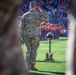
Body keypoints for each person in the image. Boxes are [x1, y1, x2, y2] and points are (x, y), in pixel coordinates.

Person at [21, 1, 50, 70]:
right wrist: (41, 11)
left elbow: (21, 27)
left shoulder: (25, 15)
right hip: (35, 35)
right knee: (34, 51)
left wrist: (21, 36)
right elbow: (47, 19)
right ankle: (32, 66)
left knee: (28, 50)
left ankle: (27, 66)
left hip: (26, 35)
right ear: (36, 7)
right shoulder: (39, 15)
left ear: (29, 6)